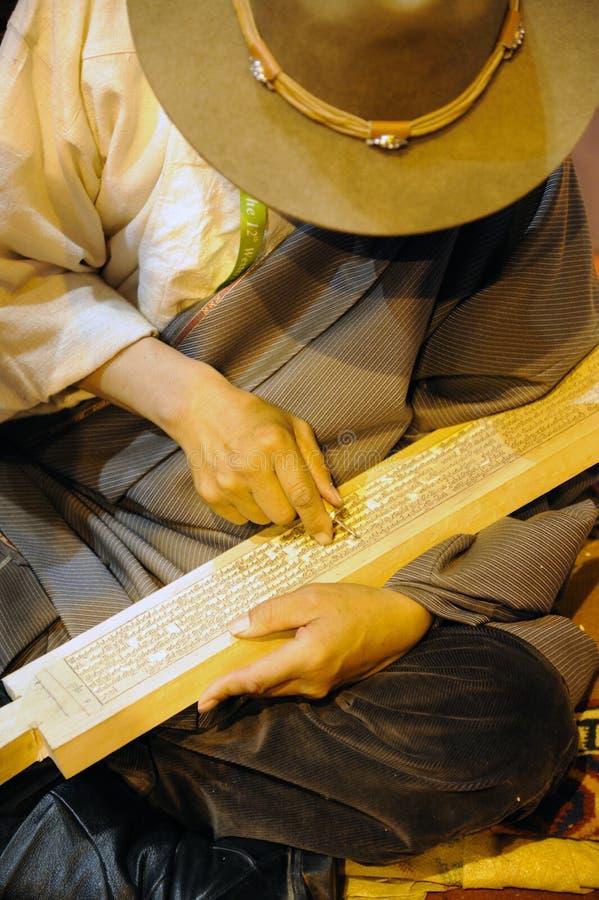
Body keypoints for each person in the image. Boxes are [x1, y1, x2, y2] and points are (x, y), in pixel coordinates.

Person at [0, 0, 598, 896]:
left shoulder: (507, 121)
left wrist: (400, 613)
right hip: (64, 507)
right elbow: (10, 271)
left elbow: (513, 417)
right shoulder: (88, 28)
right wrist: (187, 399)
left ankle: (83, 808)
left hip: (348, 556)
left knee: (499, 726)